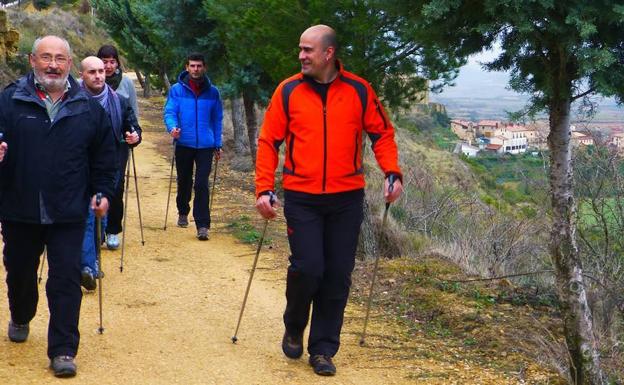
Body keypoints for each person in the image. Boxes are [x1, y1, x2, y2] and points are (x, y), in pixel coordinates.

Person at [255, 25, 403, 376]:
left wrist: (392, 173)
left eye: (308, 50)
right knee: (308, 268)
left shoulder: (359, 90)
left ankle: (322, 348)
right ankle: (294, 324)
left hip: (346, 199)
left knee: (337, 275)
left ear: (329, 54)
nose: (301, 56)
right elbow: (268, 141)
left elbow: (382, 133)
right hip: (302, 196)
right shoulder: (288, 91)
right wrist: (263, 188)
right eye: (300, 49)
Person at [0, 36, 116, 377]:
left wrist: (103, 191)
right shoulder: (9, 100)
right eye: (46, 57)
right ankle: (21, 312)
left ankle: (63, 348)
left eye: (60, 58)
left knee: (65, 279)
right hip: (19, 207)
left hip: (68, 209)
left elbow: (104, 158)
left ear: (69, 63)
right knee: (20, 271)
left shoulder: (88, 108)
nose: (53, 64)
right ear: (32, 60)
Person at [78, 56, 141, 290]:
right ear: (81, 74)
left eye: (101, 71)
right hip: (78, 166)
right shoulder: (71, 100)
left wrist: (134, 136)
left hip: (109, 165)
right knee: (87, 215)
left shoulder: (120, 101)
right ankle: (87, 265)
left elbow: (133, 128)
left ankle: (90, 257)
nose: (98, 76)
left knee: (99, 216)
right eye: (92, 72)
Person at [164, 52, 223, 240]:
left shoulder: (213, 92)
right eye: (192, 66)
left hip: (206, 145)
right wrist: (172, 128)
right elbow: (170, 111)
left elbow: (217, 119)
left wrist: (217, 144)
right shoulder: (176, 90)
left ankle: (203, 225)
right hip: (184, 142)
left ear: (204, 67)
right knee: (184, 180)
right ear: (186, 67)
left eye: (199, 66)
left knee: (201, 184)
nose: (195, 69)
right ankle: (183, 210)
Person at [96, 44, 139, 250]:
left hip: (119, 144)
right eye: (104, 61)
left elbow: (133, 113)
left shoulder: (126, 83)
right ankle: (95, 232)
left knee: (116, 185)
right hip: (93, 144)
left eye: (112, 61)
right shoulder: (85, 82)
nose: (109, 66)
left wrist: (134, 134)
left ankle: (113, 229)